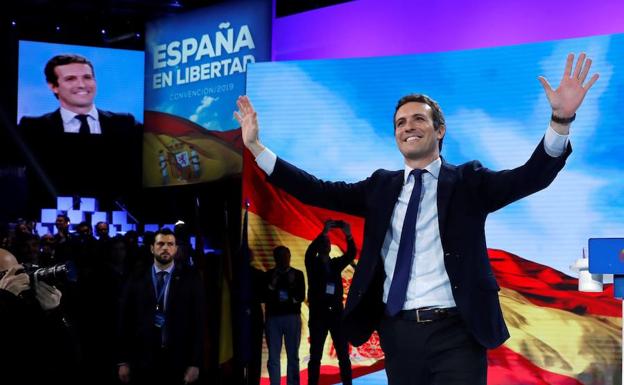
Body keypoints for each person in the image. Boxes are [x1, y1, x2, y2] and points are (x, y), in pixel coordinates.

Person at [235, 53, 599, 385]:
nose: (408, 126)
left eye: (418, 119)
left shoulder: (470, 182)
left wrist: (561, 120)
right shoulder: (379, 187)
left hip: (457, 331)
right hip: (398, 332)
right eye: (400, 123)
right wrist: (256, 148)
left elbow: (531, 176)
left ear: (439, 130)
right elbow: (316, 190)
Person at [18, 54, 142, 208]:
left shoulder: (125, 124)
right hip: (52, 214)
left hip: (117, 215)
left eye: (87, 77)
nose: (82, 85)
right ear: (53, 86)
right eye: (71, 79)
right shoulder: (34, 128)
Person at [117, 227, 205, 385]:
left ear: (176, 249)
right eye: (161, 244)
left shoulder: (190, 277)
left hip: (178, 361)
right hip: (142, 361)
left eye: (170, 244)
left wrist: (195, 363)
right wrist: (122, 361)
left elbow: (198, 322)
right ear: (152, 248)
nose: (165, 248)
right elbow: (124, 319)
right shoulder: (136, 277)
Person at [0, 248, 75, 385]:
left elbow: (69, 358)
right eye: (6, 274)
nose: (17, 278)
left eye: (18, 272)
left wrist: (55, 312)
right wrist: (5, 298)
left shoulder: (30, 302)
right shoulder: (7, 301)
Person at [305, 220, 355, 385]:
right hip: (319, 315)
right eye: (324, 242)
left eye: (328, 242)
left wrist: (348, 234)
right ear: (319, 246)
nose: (327, 244)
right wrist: (324, 232)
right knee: (315, 356)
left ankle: (348, 383)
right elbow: (309, 253)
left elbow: (351, 254)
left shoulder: (335, 264)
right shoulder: (313, 264)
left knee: (343, 355)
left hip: (336, 315)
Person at [264, 245, 305, 385]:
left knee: (293, 356)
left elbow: (301, 296)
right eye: (280, 256)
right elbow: (265, 297)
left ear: (290, 257)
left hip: (291, 318)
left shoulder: (298, 274)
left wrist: (292, 284)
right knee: (273, 357)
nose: (283, 259)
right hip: (273, 318)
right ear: (275, 258)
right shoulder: (269, 275)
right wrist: (272, 285)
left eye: (285, 256)